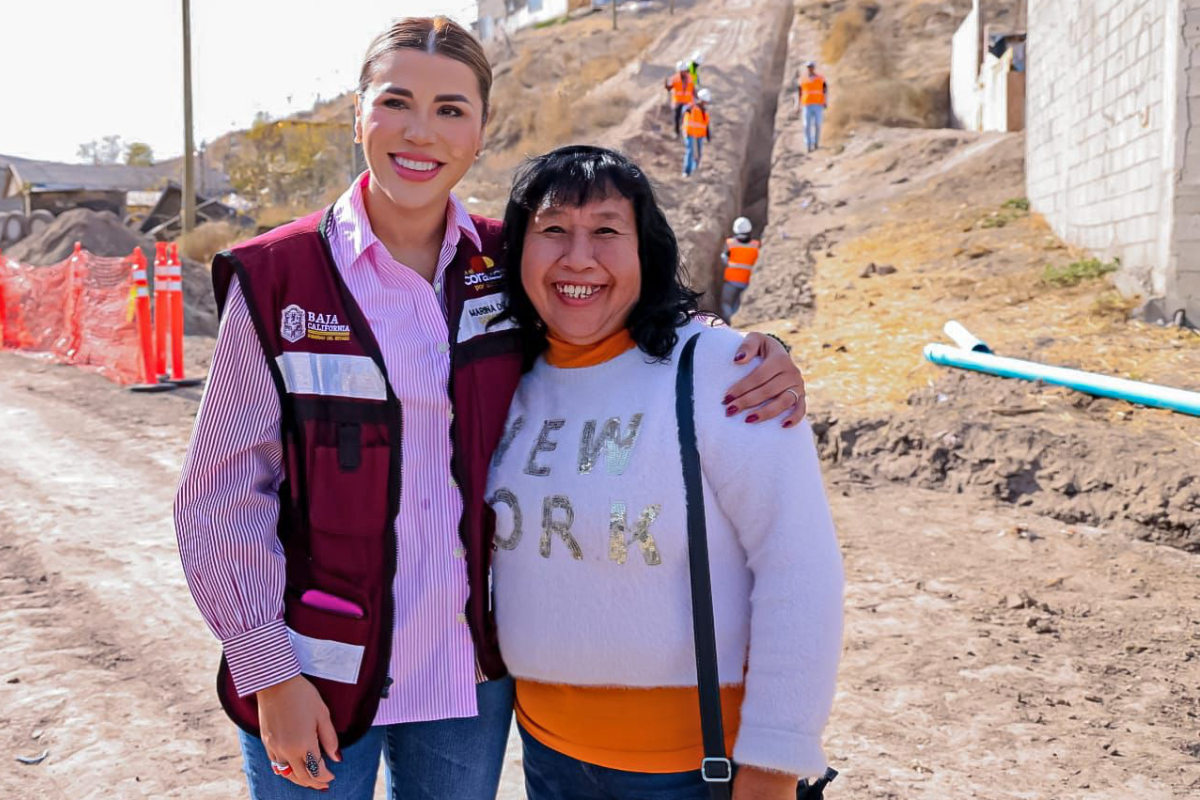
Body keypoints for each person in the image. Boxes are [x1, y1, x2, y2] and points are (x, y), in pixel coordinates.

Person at [174, 17, 812, 800]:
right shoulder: (279, 278)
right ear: (358, 114)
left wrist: (740, 346)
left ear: (481, 129)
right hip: (316, 673)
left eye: (450, 109)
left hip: (466, 683)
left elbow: (610, 305)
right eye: (396, 102)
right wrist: (269, 671)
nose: (421, 131)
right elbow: (218, 498)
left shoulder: (506, 265)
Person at [488, 145, 843, 800]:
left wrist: (773, 764)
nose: (578, 258)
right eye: (553, 230)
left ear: (645, 249)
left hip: (693, 768)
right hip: (545, 755)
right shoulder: (509, 378)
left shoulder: (720, 371)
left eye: (605, 231)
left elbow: (800, 566)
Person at [720, 216, 759, 320]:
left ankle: (728, 321)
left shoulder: (730, 243)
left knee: (726, 302)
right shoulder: (756, 245)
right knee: (739, 305)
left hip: (731, 280)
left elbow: (724, 259)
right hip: (747, 281)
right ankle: (735, 320)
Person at [682, 88, 712, 177]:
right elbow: (685, 109)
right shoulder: (692, 107)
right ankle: (687, 171)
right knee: (690, 151)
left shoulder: (705, 112)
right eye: (704, 101)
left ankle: (695, 168)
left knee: (699, 152)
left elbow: (706, 125)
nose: (705, 103)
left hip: (700, 134)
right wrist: (691, 104)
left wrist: (708, 136)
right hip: (690, 132)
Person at [799, 60, 827, 153]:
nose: (810, 69)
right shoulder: (803, 79)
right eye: (808, 67)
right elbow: (799, 92)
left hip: (818, 104)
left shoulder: (820, 78)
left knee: (817, 124)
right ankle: (808, 144)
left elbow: (825, 90)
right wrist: (797, 105)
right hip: (806, 105)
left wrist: (825, 101)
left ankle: (816, 143)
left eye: (811, 67)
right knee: (806, 125)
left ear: (813, 68)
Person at [664, 60, 696, 139]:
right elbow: (669, 88)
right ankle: (677, 132)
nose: (683, 72)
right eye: (681, 71)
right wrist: (666, 85)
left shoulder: (690, 78)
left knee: (690, 117)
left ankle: (690, 132)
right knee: (677, 117)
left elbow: (693, 89)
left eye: (684, 71)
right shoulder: (675, 78)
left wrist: (696, 98)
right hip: (678, 102)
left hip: (688, 102)